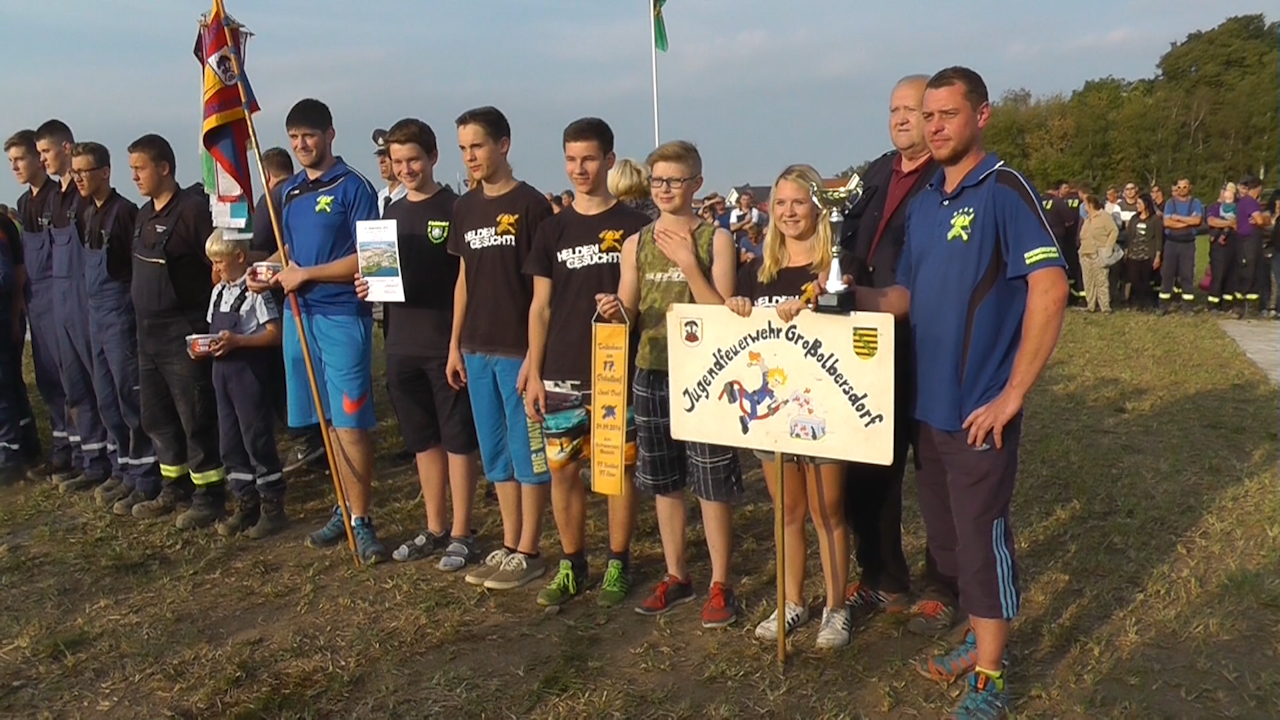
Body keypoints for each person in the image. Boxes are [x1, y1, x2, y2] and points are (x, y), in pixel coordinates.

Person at [849, 67, 1068, 717]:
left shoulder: (1003, 189)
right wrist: (841, 298)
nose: (936, 126)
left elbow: (1050, 288)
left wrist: (1013, 393)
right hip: (929, 408)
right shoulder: (925, 202)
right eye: (929, 115)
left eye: (949, 114)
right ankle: (978, 636)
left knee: (980, 539)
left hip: (979, 411)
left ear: (982, 115)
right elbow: (904, 297)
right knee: (948, 542)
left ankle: (991, 675)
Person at [595, 140, 742, 628]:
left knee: (711, 481)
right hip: (652, 369)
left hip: (705, 374)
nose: (664, 189)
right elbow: (629, 310)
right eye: (657, 180)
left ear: (696, 184)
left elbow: (722, 313)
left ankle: (720, 582)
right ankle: (677, 573)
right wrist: (614, 310)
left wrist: (688, 264)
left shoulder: (715, 239)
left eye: (675, 181)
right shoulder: (636, 242)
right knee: (664, 481)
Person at [839, 74, 955, 634]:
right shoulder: (877, 171)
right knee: (867, 465)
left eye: (914, 109)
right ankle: (883, 576)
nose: (903, 119)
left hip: (926, 339)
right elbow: (847, 232)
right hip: (867, 340)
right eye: (895, 110)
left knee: (933, 467)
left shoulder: (949, 178)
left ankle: (945, 585)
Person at [248, 99, 385, 563]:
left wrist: (307, 274)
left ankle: (362, 519)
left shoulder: (354, 186)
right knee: (325, 422)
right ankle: (342, 507)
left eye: (309, 135)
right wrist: (266, 270)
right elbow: (289, 252)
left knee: (351, 422)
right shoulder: (288, 192)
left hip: (342, 315)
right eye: (294, 138)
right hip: (297, 316)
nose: (302, 145)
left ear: (329, 134)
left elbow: (372, 258)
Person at [521, 118, 650, 608]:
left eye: (590, 159)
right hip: (560, 371)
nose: (580, 169)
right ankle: (572, 562)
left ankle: (618, 560)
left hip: (615, 371)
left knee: (616, 470)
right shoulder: (552, 229)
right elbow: (540, 307)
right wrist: (535, 370)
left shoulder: (635, 226)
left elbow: (646, 302)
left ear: (609, 160)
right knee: (563, 470)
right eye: (572, 159)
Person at [726, 163, 852, 648]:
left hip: (823, 410)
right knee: (787, 511)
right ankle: (792, 601)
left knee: (828, 511)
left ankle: (836, 608)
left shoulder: (835, 267)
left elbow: (855, 329)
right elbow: (737, 334)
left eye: (798, 202)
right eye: (780, 203)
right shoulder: (758, 271)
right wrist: (737, 309)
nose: (789, 212)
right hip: (772, 414)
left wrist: (823, 303)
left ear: (818, 208)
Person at [356, 118, 481, 569]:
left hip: (445, 345)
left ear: (433, 157)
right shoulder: (389, 214)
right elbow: (383, 277)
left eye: (414, 159)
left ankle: (463, 533)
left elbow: (467, 282)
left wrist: (456, 344)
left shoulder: (456, 208)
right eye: (398, 161)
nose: (406, 169)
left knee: (458, 440)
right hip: (400, 343)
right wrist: (367, 285)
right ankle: (435, 526)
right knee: (423, 441)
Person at [444, 106, 554, 590]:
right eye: (463, 149)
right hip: (475, 349)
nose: (470, 157)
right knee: (495, 454)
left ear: (503, 145)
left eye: (478, 146)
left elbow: (543, 291)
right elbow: (463, 279)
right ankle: (510, 545)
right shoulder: (465, 207)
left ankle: (531, 548)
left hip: (516, 351)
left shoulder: (531, 206)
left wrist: (535, 356)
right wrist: (454, 344)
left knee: (527, 453)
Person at [125, 133, 226, 522]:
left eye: (140, 168)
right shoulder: (143, 215)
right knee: (157, 416)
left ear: (164, 167)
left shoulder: (191, 212)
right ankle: (174, 485)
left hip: (182, 331)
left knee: (194, 416)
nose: (135, 176)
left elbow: (218, 266)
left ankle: (209, 494)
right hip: (147, 335)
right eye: (132, 169)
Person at [68, 141, 161, 509]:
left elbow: (134, 270)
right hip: (96, 316)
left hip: (120, 315)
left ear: (105, 172)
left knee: (129, 395)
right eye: (74, 172)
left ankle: (146, 474)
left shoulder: (124, 213)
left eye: (84, 171)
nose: (78, 179)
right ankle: (122, 468)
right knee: (106, 397)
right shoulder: (86, 212)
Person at [35, 120, 114, 493]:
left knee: (101, 384)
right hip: (61, 301)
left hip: (86, 299)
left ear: (65, 148)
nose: (42, 160)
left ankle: (116, 461)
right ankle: (90, 460)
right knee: (74, 385)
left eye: (45, 151)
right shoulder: (56, 198)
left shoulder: (86, 200)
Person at [200, 230, 287, 538]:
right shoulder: (218, 292)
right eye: (212, 262)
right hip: (221, 374)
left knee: (256, 438)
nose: (216, 269)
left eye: (220, 262)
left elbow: (275, 334)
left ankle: (272, 505)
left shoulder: (256, 293)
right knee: (230, 441)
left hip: (248, 373)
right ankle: (244, 500)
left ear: (239, 257)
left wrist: (239, 341)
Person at [251, 147, 326, 472]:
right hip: (304, 292)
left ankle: (308, 439)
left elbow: (264, 247)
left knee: (292, 373)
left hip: (285, 293)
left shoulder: (274, 199)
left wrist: (253, 268)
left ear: (266, 174)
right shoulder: (299, 192)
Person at [6, 130, 62, 479]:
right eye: (10, 161)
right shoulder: (24, 204)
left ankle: (87, 453)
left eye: (20, 159)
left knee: (72, 380)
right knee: (47, 379)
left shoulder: (59, 199)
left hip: (61, 299)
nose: (14, 167)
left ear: (39, 159)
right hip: (36, 302)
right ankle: (62, 449)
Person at [1159, 178, 1203, 313]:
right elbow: (1167, 223)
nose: (1182, 190)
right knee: (1167, 274)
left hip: (1188, 244)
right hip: (1171, 243)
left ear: (1190, 187)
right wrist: (1187, 222)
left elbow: (1197, 221)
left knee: (1187, 274)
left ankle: (1187, 306)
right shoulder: (1170, 203)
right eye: (1179, 187)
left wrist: (1177, 218)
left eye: (1185, 187)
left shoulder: (1195, 203)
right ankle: (1164, 305)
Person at [1234, 176, 1272, 318]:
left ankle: (1247, 306)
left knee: (1252, 272)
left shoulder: (1242, 202)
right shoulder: (1251, 202)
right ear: (1258, 188)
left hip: (1245, 241)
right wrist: (1265, 219)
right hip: (1249, 241)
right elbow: (1260, 220)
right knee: (1250, 273)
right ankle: (1242, 306)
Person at [1079, 194, 1118, 313]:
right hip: (1085, 254)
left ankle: (1105, 306)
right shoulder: (1087, 219)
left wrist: (1108, 248)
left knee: (1101, 281)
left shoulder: (1104, 216)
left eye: (1085, 204)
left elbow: (1114, 231)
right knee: (1088, 281)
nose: (1084, 206)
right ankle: (1090, 305)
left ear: (1091, 204)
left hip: (1098, 254)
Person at [1124, 194, 1163, 310]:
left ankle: (1147, 303)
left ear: (1146, 204)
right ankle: (1138, 301)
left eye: (1139, 203)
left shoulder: (1155, 220)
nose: (1137, 206)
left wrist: (1158, 256)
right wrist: (1127, 251)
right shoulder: (1134, 219)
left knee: (1146, 280)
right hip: (1134, 255)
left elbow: (1158, 239)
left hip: (1147, 255)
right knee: (1134, 279)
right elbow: (1129, 236)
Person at [1205, 183, 1239, 314]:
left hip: (1234, 243)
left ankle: (1227, 304)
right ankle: (1213, 304)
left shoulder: (1236, 206)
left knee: (1231, 275)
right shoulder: (1215, 207)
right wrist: (1230, 223)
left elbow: (1239, 222)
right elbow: (1212, 221)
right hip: (1219, 246)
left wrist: (1230, 224)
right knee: (1218, 274)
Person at [372, 129, 407, 217]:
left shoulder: (410, 196)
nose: (381, 161)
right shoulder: (379, 198)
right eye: (379, 155)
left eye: (386, 155)